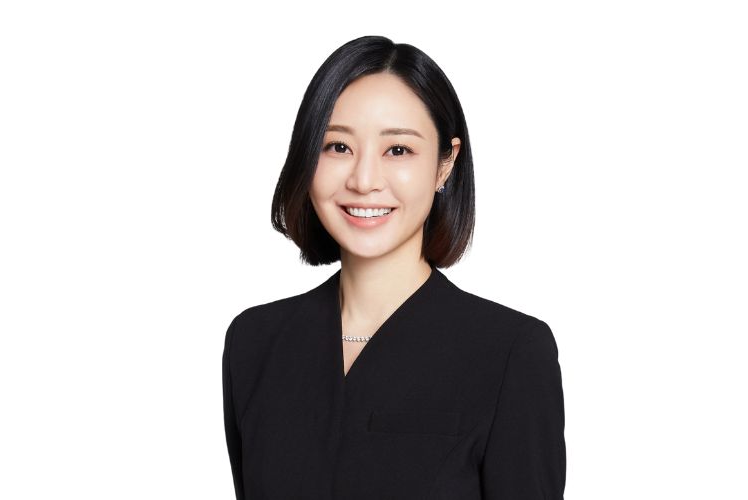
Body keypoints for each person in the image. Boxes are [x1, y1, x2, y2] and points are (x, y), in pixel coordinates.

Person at [222, 35, 565, 499]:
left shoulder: (511, 353)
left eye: (398, 150)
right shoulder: (255, 342)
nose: (364, 180)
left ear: (445, 164)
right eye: (337, 146)